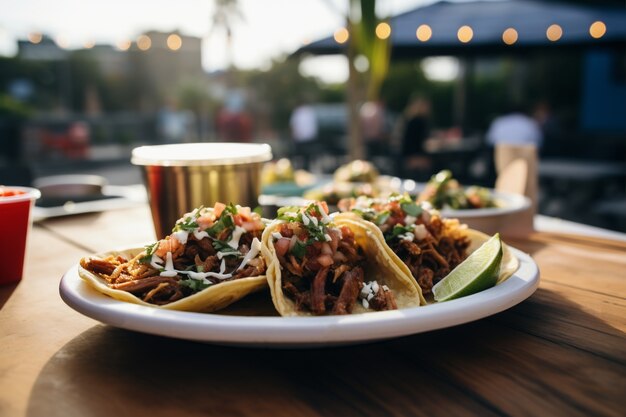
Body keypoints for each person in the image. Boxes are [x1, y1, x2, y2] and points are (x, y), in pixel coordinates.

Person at [398, 95, 432, 180]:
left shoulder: (410, 119)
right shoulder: (418, 121)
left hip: (408, 155)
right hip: (412, 156)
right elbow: (417, 142)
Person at [289, 101, 319, 170]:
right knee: (306, 158)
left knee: (303, 158)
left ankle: (303, 169)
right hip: (307, 139)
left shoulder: (298, 112)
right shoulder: (309, 112)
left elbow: (293, 126)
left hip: (303, 140)